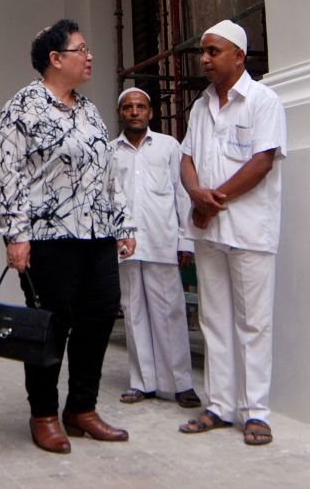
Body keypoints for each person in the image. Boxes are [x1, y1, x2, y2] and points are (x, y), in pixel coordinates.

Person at [0, 19, 137, 455]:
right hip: (47, 239)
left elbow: (107, 171)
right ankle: (43, 414)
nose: (89, 56)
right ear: (56, 60)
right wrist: (16, 235)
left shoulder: (90, 110)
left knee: (98, 319)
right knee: (51, 328)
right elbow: (8, 174)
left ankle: (82, 409)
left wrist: (123, 223)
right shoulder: (22, 107)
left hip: (96, 235)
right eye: (81, 49)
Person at [177, 20, 286, 447]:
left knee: (253, 323)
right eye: (203, 52)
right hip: (208, 233)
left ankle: (256, 412)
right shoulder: (200, 106)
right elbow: (186, 160)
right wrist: (194, 193)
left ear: (239, 56)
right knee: (214, 321)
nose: (204, 59)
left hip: (249, 230)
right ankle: (219, 406)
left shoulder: (263, 101)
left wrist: (210, 201)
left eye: (213, 51)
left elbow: (262, 163)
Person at [112, 87, 200, 409]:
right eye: (128, 107)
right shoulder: (111, 152)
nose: (135, 112)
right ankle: (142, 382)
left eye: (141, 107)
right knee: (133, 312)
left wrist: (185, 239)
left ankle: (181, 383)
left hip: (163, 241)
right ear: (121, 113)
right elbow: (109, 198)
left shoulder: (168, 146)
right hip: (126, 244)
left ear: (150, 112)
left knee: (170, 312)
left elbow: (182, 194)